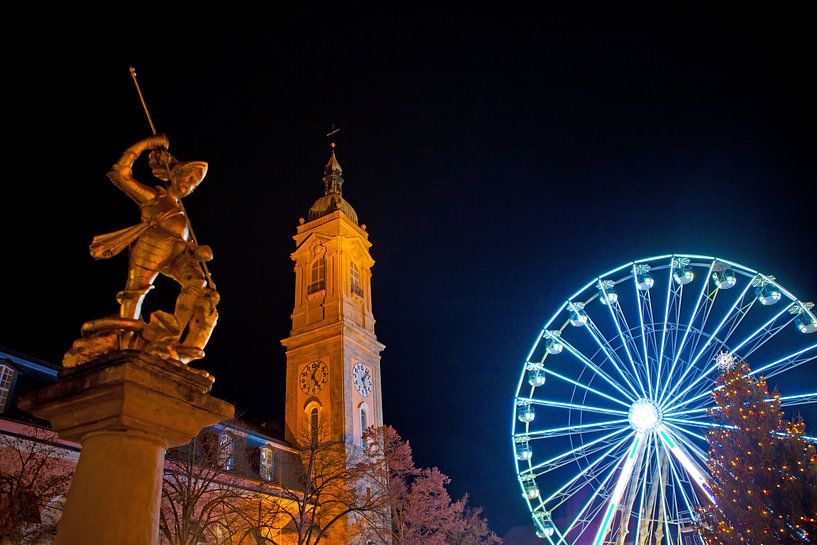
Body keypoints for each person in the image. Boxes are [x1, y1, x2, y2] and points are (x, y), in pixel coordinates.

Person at [89, 134, 218, 361]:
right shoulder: (155, 197)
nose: (189, 186)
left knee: (197, 282)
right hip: (152, 246)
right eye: (186, 178)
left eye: (193, 184)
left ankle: (172, 336)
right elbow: (121, 173)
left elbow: (186, 246)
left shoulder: (181, 212)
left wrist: (198, 252)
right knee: (135, 293)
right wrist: (146, 145)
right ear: (173, 175)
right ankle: (125, 344)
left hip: (176, 255)